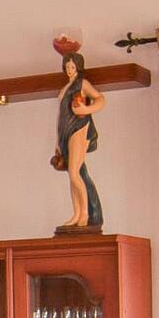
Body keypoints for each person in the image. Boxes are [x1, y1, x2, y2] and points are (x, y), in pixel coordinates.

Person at [51, 51, 105, 229]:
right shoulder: (66, 86)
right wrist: (57, 140)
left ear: (78, 67)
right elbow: (60, 115)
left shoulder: (82, 83)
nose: (69, 70)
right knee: (73, 174)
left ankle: (85, 214)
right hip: (65, 129)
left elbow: (100, 99)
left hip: (79, 127)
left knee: (74, 172)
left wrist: (85, 110)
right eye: (67, 67)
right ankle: (77, 213)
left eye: (72, 67)